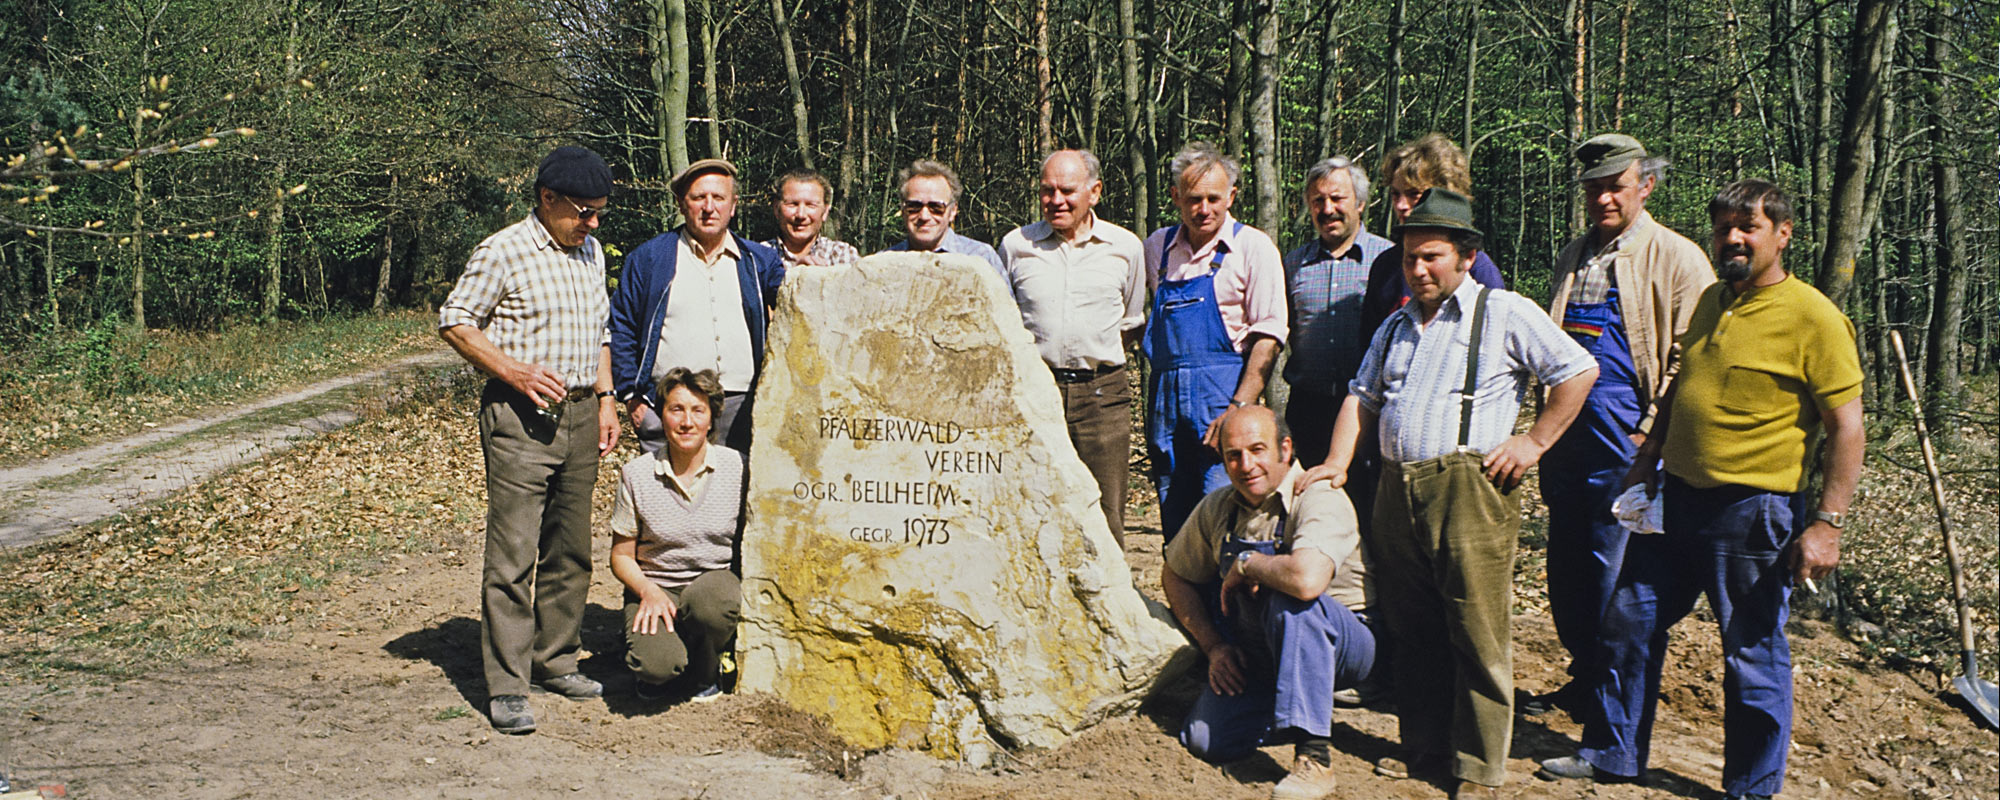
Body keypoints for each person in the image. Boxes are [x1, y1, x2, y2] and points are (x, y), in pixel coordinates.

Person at [1538, 180, 1863, 800]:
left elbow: (1848, 426)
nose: (1733, 239)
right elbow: (1684, 386)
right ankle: (1612, 752)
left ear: (1782, 234)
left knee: (1750, 651)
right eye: (1724, 229)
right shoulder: (1714, 299)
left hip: (1753, 512)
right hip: (1675, 499)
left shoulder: (1814, 317)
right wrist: (1647, 458)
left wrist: (1828, 522)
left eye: (1749, 228)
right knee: (1627, 620)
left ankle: (1752, 786)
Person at [1307, 188, 1597, 797]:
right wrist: (1337, 461)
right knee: (1413, 626)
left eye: (1431, 257)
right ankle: (1425, 747)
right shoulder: (1396, 324)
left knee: (1476, 629)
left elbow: (1577, 371)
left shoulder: (1505, 312)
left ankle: (1478, 766)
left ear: (1466, 256)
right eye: (1411, 257)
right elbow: (1362, 398)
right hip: (1395, 489)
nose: (1418, 269)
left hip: (1470, 489)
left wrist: (1533, 443)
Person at [1526, 134, 1714, 719]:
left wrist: (1651, 431)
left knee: (1619, 568)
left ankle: (1615, 697)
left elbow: (1690, 354)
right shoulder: (1574, 255)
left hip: (1626, 437)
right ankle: (1584, 676)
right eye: (1594, 188)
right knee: (1569, 564)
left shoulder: (1678, 257)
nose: (1604, 198)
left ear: (1645, 186)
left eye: (1616, 186)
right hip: (1566, 434)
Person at [437, 145, 621, 734]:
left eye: (599, 212)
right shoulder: (504, 249)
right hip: (520, 418)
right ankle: (509, 685)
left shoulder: (589, 251)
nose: (593, 224)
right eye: (583, 212)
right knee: (515, 555)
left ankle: (555, 659)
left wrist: (607, 397)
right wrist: (511, 371)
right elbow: (455, 319)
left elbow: (601, 333)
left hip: (582, 412)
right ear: (547, 200)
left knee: (570, 551)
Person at [1163, 406, 1376, 800]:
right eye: (1233, 455)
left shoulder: (1317, 495)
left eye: (1257, 450)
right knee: (1205, 740)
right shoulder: (1220, 507)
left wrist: (1250, 564)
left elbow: (1308, 581)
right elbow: (1175, 575)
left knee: (1289, 597)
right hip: (1262, 648)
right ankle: (1293, 707)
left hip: (1344, 646)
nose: (1246, 465)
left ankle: (1314, 758)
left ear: (1285, 448)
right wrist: (1214, 647)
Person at [998, 149, 1147, 545]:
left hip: (1102, 395)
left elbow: (1131, 323)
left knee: (1105, 511)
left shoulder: (1125, 247)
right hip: (1034, 392)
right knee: (1029, 501)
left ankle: (1109, 604)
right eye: (1047, 191)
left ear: (1094, 192)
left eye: (1067, 190)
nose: (1056, 201)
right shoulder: (1016, 246)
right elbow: (1005, 321)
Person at [1143, 142, 1288, 542]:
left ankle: (1230, 604)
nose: (1203, 209)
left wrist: (1239, 408)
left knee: (1226, 515)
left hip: (1223, 400)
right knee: (1177, 520)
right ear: (1176, 197)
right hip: (1166, 406)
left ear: (1231, 196)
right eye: (1193, 199)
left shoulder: (1252, 247)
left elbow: (1269, 337)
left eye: (1213, 198)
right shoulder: (1157, 247)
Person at [611, 158, 786, 454]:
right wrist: (631, 395)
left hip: (740, 408)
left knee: (733, 496)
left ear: (733, 205)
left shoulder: (759, 261)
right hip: (668, 406)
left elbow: (794, 308)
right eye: (698, 198)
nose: (709, 207)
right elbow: (622, 326)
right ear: (681, 204)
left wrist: (817, 277)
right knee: (665, 497)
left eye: (718, 198)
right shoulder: (650, 259)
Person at [608, 367, 747, 702]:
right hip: (658, 589)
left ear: (712, 418)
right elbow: (621, 556)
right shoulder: (636, 475)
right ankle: (666, 656)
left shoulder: (738, 467)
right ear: (662, 416)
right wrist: (647, 590)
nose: (687, 422)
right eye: (676, 410)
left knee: (712, 604)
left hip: (713, 587)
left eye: (698, 411)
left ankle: (706, 666)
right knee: (656, 667)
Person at [1281, 156, 1393, 470]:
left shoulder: (1388, 260)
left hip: (1371, 408)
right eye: (1318, 200)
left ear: (1360, 203)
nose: (1327, 209)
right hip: (1308, 408)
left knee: (1368, 507)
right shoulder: (1293, 264)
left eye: (1337, 198)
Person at [1358, 133, 1507, 340]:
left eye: (1414, 194)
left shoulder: (1476, 268)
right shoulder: (1385, 267)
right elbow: (1370, 346)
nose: (1401, 205)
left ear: (1446, 194)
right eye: (1395, 194)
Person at [882, 159, 1004, 275]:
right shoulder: (883, 265)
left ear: (953, 211)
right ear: (903, 210)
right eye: (914, 206)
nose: (924, 216)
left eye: (936, 207)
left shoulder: (982, 258)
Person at [763, 168, 860, 268]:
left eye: (811, 205)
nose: (801, 215)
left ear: (825, 211)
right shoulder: (757, 257)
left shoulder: (841, 254)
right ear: (776, 209)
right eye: (792, 204)